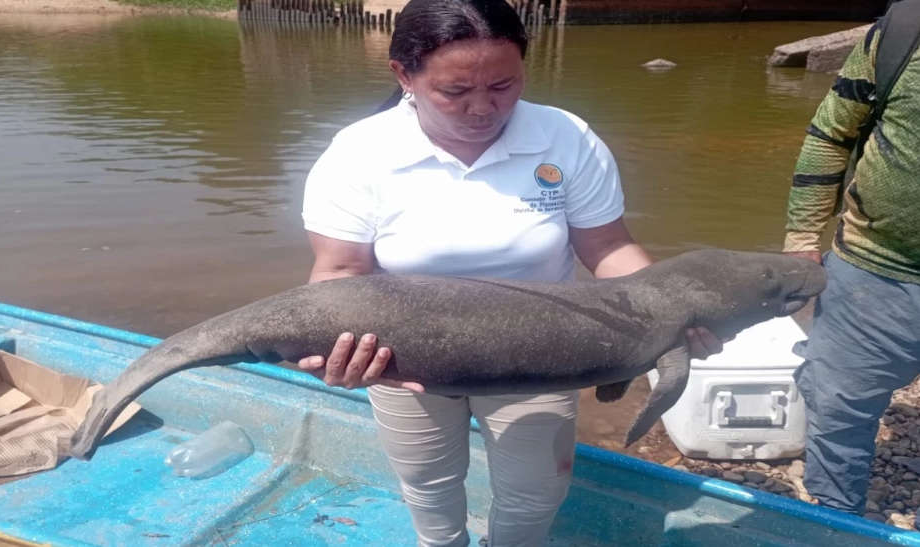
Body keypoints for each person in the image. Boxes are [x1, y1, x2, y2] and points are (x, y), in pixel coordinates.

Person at [298, 1, 725, 545]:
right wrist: (340, 352)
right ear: (404, 75)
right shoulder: (358, 154)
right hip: (406, 357)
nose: (483, 108)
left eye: (504, 85)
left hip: (545, 353)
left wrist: (672, 308)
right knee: (428, 481)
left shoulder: (565, 137)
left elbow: (609, 246)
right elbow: (340, 272)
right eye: (455, 92)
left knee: (537, 488)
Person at [782, 8, 920, 517]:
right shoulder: (903, 31)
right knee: (838, 408)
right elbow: (830, 134)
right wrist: (801, 238)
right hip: (873, 269)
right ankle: (835, 519)